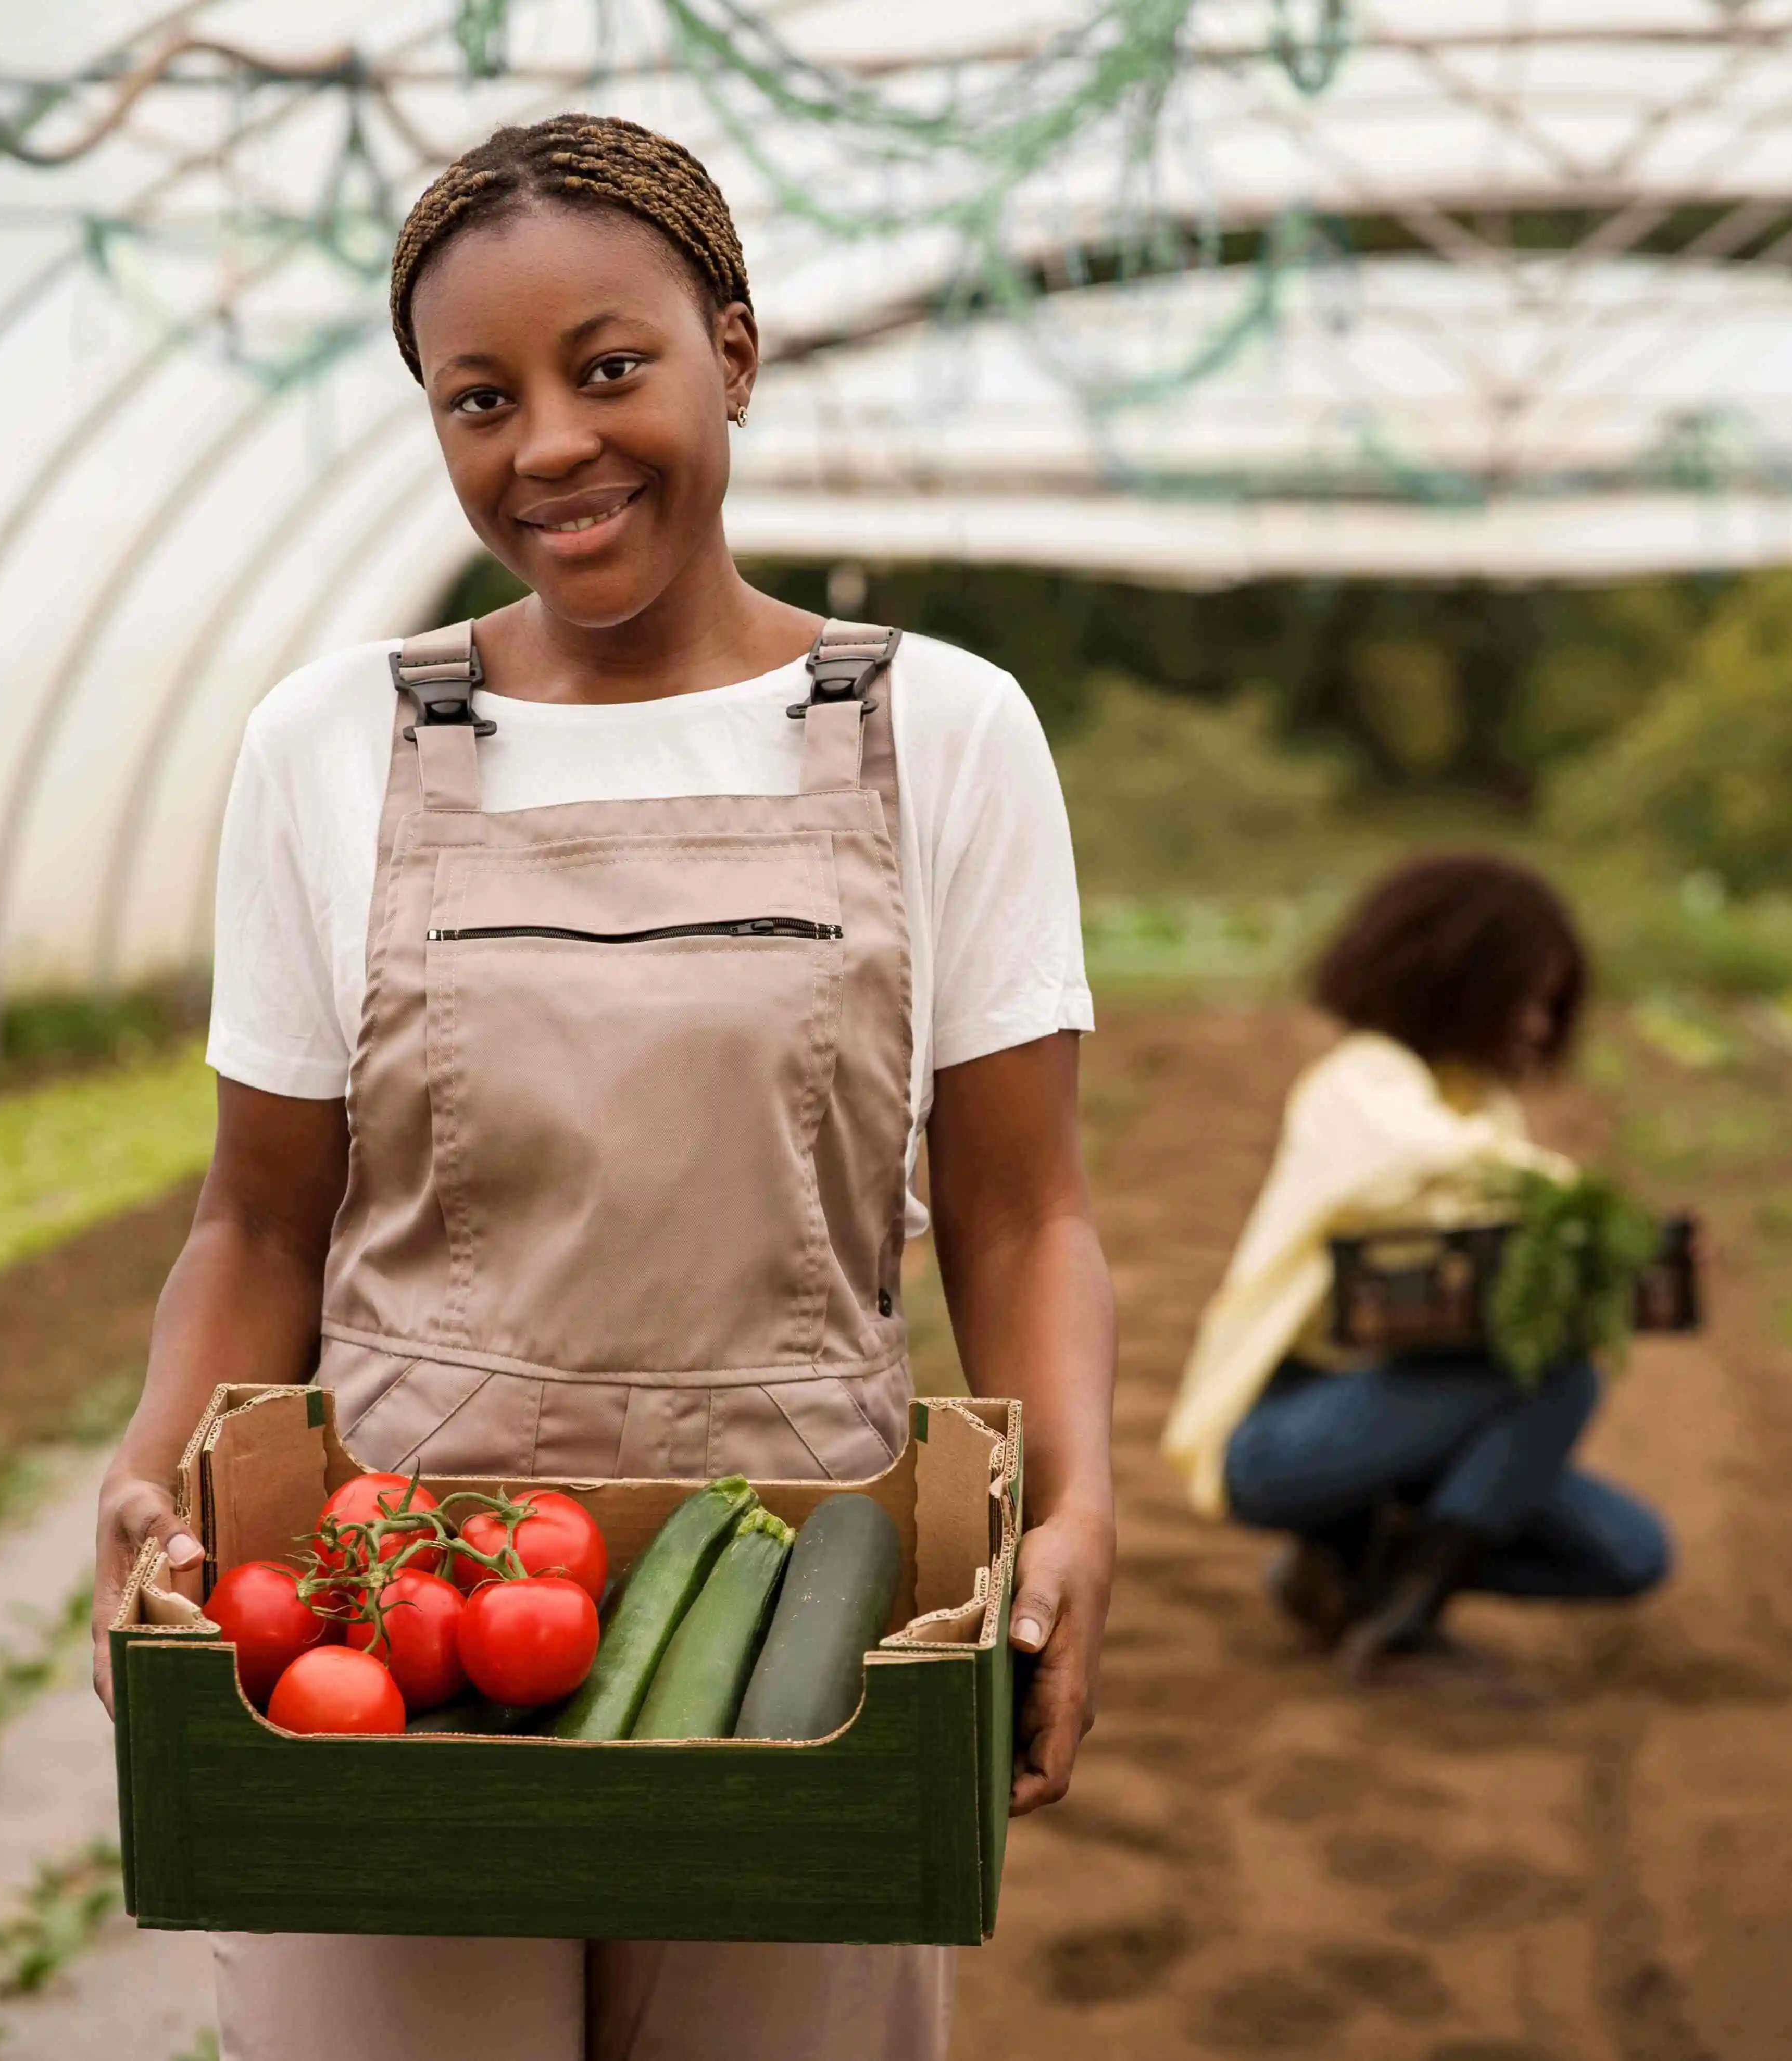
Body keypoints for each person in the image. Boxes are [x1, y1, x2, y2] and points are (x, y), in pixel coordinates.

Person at [83, 115, 1115, 2061]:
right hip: (398, 1607)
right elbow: (259, 1218)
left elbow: (1020, 1209)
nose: (548, 442)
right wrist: (159, 1462)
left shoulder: (942, 733)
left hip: (805, 1612)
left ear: (735, 348)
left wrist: (1077, 1505)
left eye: (608, 366)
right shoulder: (329, 745)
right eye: (479, 398)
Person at [1159, 853, 1668, 1679]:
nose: (1540, 1027)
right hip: (1281, 1429)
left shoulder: (1480, 1109)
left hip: (1399, 1414)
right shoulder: (1359, 1084)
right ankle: (1403, 1625)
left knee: (1630, 1552)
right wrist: (1587, 1207)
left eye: (1552, 1005)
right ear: (1459, 978)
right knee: (1560, 1377)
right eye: (1529, 998)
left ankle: (1351, 1568)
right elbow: (1416, 1166)